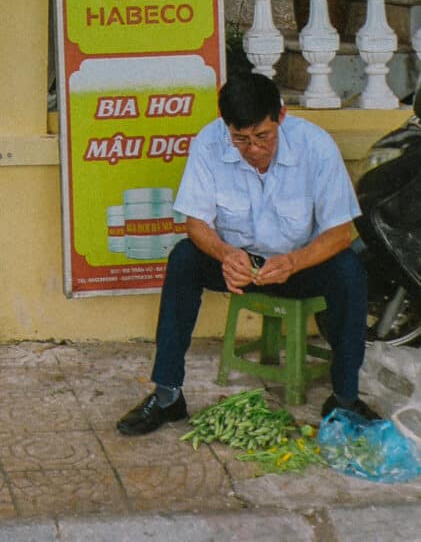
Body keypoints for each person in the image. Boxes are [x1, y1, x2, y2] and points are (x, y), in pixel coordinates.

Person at [116, 70, 373, 437]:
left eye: (262, 137)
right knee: (183, 259)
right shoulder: (209, 143)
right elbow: (197, 224)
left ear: (280, 117)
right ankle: (168, 395)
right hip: (237, 265)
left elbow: (339, 233)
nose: (253, 149)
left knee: (349, 269)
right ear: (226, 127)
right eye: (241, 139)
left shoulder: (315, 147)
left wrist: (292, 263)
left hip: (297, 265)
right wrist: (225, 255)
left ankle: (346, 400)